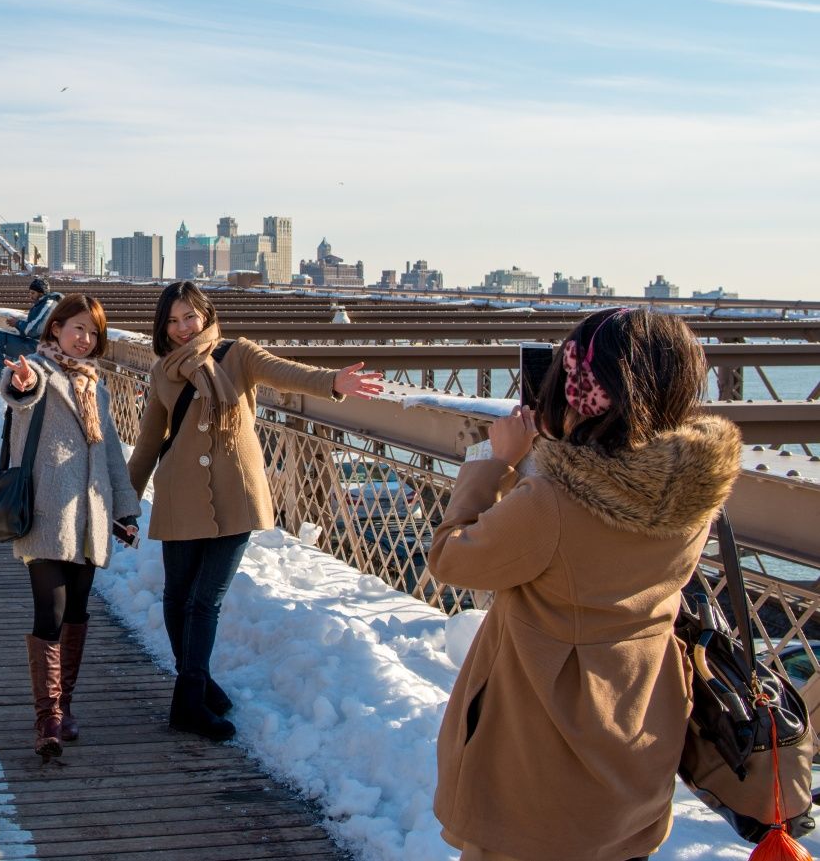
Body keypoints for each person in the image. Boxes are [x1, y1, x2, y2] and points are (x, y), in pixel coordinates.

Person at [427, 308, 742, 861]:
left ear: (580, 391)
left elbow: (452, 559)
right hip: (639, 731)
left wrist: (494, 461)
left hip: (543, 753)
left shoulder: (551, 503)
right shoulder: (694, 492)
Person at [127, 281, 383, 742]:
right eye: (173, 320)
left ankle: (188, 701)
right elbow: (148, 442)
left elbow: (285, 373)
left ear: (206, 315)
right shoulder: (164, 371)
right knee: (177, 596)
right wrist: (126, 501)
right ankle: (198, 682)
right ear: (162, 327)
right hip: (180, 493)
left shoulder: (238, 355)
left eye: (191, 317)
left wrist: (332, 382)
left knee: (206, 600)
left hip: (235, 497)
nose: (184, 328)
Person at [0, 294, 141, 758]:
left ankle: (65, 704)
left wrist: (125, 509)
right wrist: (18, 379)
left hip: (92, 514)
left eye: (94, 332)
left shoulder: (95, 387)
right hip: (47, 513)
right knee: (52, 610)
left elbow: (111, 453)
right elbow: (21, 390)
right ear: (55, 329)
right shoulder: (40, 371)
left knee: (78, 609)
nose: (85, 339)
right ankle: (48, 719)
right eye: (77, 328)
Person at [0, 277, 59, 389]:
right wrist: (18, 324)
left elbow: (33, 330)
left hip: (37, 347)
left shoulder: (48, 304)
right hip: (34, 343)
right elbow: (35, 326)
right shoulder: (43, 303)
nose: (30, 296)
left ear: (41, 293)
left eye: (33, 293)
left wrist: (18, 323)